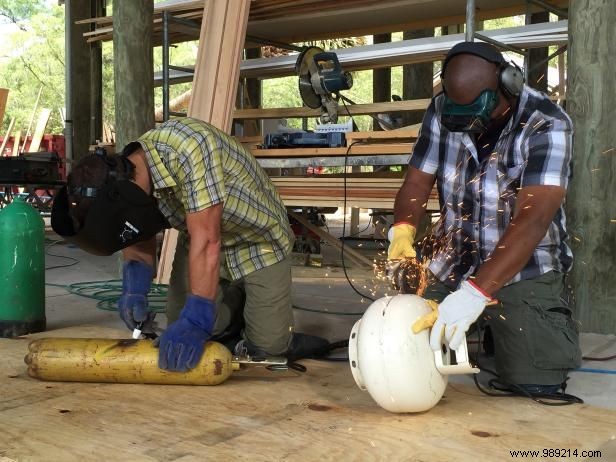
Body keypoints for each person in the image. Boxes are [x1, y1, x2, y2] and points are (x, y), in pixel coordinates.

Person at [52, 117, 329, 372]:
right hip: (200, 238)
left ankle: (249, 307)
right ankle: (236, 307)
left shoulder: (189, 147)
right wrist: (134, 288)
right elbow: (135, 229)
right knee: (179, 326)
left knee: (267, 349)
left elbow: (208, 241)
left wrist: (197, 318)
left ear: (123, 192)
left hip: (258, 240)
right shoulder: (133, 179)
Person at [388, 42, 581, 394]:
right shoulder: (441, 109)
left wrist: (476, 293)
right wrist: (402, 230)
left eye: (480, 116)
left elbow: (533, 220)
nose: (472, 128)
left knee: (533, 384)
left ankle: (502, 327)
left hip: (523, 264)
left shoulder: (547, 123)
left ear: (508, 83)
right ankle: (482, 323)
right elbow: (417, 180)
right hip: (454, 258)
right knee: (401, 339)